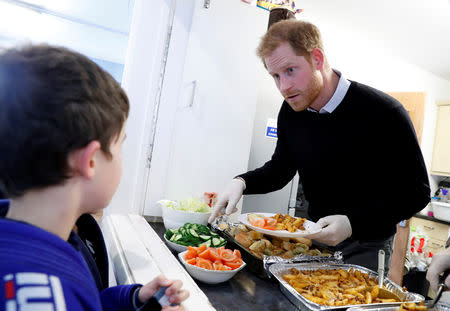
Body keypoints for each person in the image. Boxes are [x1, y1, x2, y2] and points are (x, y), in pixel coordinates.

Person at [209, 19, 430, 272]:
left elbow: (416, 192)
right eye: (275, 76)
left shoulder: (385, 112)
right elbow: (280, 170)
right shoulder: (292, 109)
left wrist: (352, 223)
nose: (284, 87)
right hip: (313, 237)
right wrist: (242, 182)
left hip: (366, 245)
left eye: (290, 70)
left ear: (317, 58)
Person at [0, 44, 189, 310]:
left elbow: (84, 302)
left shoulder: (50, 238)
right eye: (120, 144)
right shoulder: (37, 295)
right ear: (90, 161)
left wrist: (132, 300)